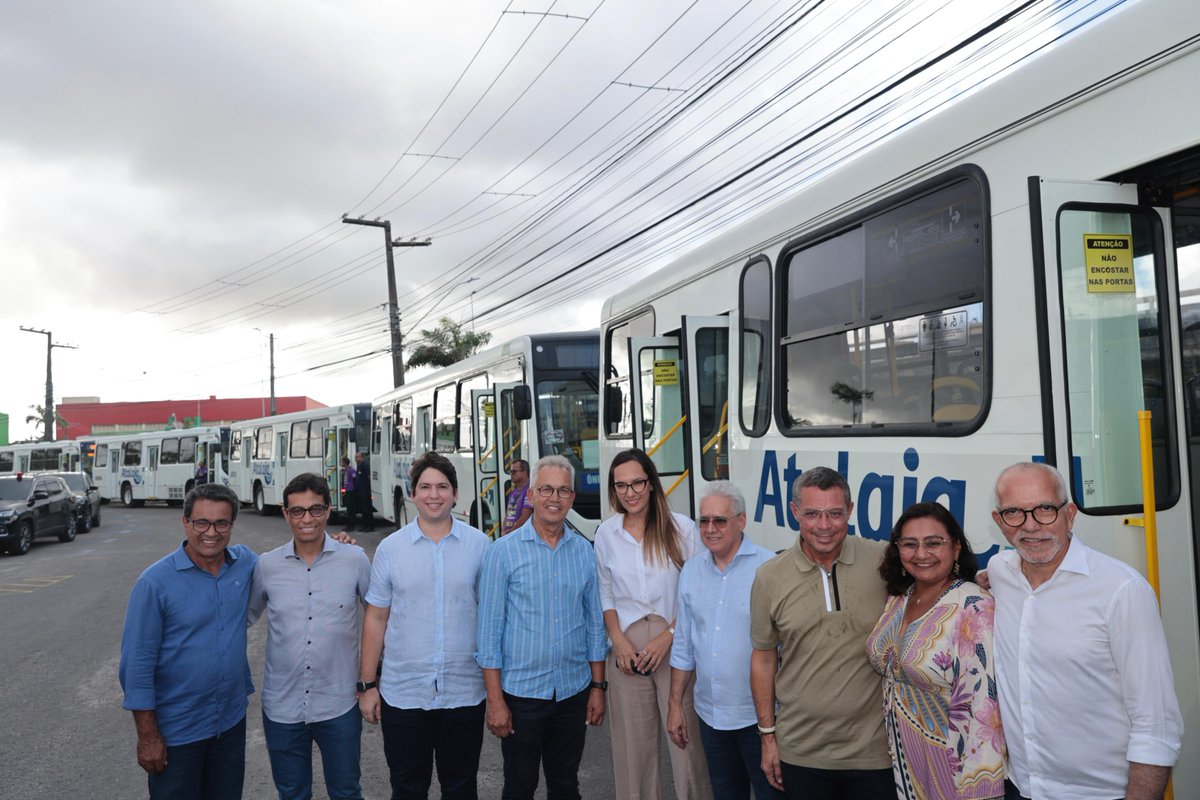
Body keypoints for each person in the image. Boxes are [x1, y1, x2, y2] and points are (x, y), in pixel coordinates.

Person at [989, 462, 1183, 800]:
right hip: (1021, 788)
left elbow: (1156, 726)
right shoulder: (999, 572)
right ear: (998, 521)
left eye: (1045, 509)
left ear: (1070, 513)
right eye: (1014, 513)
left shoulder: (1122, 591)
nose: (1031, 526)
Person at [749, 466, 893, 799]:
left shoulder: (884, 562)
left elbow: (935, 582)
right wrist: (768, 737)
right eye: (812, 514)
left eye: (835, 514)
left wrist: (988, 577)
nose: (824, 526)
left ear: (851, 511)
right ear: (794, 512)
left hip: (874, 752)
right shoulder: (769, 578)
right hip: (800, 751)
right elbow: (763, 659)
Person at [358, 452, 490, 799]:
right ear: (413, 493)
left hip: (464, 693)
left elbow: (492, 618)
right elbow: (376, 617)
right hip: (404, 695)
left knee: (461, 789)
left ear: (456, 493)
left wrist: (497, 687)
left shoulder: (480, 546)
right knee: (407, 789)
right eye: (426, 487)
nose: (434, 495)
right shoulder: (390, 549)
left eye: (442, 487)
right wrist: (368, 684)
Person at [476, 454, 608, 800]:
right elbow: (488, 634)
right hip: (521, 696)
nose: (555, 498)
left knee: (566, 785)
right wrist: (495, 701)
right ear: (531, 495)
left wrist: (597, 687)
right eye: (546, 489)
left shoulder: (583, 552)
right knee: (519, 787)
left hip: (571, 692)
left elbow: (594, 625)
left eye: (563, 491)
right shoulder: (502, 553)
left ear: (572, 499)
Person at [119, 483, 256, 800]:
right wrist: (148, 736)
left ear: (232, 525)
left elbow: (287, 563)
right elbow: (136, 667)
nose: (212, 532)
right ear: (185, 523)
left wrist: (336, 543)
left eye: (221, 523)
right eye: (201, 522)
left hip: (230, 724)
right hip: (177, 732)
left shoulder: (245, 565)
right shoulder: (154, 583)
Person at [865, 502, 1004, 800]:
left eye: (933, 543)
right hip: (903, 760)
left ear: (955, 548)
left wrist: (978, 789)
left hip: (953, 769)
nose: (921, 554)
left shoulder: (973, 607)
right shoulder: (899, 597)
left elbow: (983, 709)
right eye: (909, 544)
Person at [594, 448, 711, 799]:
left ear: (651, 483)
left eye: (637, 483)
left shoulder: (683, 529)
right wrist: (618, 640)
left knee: (686, 744)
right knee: (634, 753)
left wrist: (669, 637)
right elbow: (606, 592)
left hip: (676, 645)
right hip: (627, 647)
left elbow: (697, 592)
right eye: (621, 486)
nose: (630, 493)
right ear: (613, 491)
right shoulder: (606, 534)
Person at [248, 472, 371, 800]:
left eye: (316, 510)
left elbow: (378, 619)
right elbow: (242, 618)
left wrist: (372, 683)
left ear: (328, 511)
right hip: (282, 707)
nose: (307, 519)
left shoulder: (355, 560)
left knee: (346, 791)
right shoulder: (266, 566)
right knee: (292, 793)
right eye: (298, 511)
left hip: (340, 703)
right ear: (286, 514)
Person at [667, 481, 782, 800]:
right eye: (704, 521)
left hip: (758, 720)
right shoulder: (691, 570)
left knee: (772, 794)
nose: (710, 528)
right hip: (711, 717)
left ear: (741, 521)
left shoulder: (768, 568)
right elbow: (684, 645)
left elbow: (784, 649)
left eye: (720, 520)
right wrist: (675, 705)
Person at [501, 459, 532, 536]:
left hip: (520, 534)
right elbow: (508, 514)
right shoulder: (513, 491)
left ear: (524, 472)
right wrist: (503, 530)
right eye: (510, 472)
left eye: (514, 472)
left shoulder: (529, 491)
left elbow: (525, 517)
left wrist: (511, 532)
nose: (511, 474)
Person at [353, 451, 374, 532]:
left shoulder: (365, 465)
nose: (355, 459)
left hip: (365, 491)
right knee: (363, 509)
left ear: (361, 457)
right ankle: (365, 525)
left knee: (367, 509)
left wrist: (370, 488)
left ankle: (370, 526)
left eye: (357, 457)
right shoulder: (359, 465)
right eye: (355, 457)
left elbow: (369, 476)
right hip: (361, 491)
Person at [341, 456, 358, 532]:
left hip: (351, 491)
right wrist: (343, 491)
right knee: (348, 509)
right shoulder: (345, 470)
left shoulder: (351, 470)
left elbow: (355, 480)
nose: (341, 463)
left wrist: (354, 490)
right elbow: (344, 483)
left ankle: (352, 525)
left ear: (345, 463)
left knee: (351, 509)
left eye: (342, 462)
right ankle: (349, 525)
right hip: (347, 491)